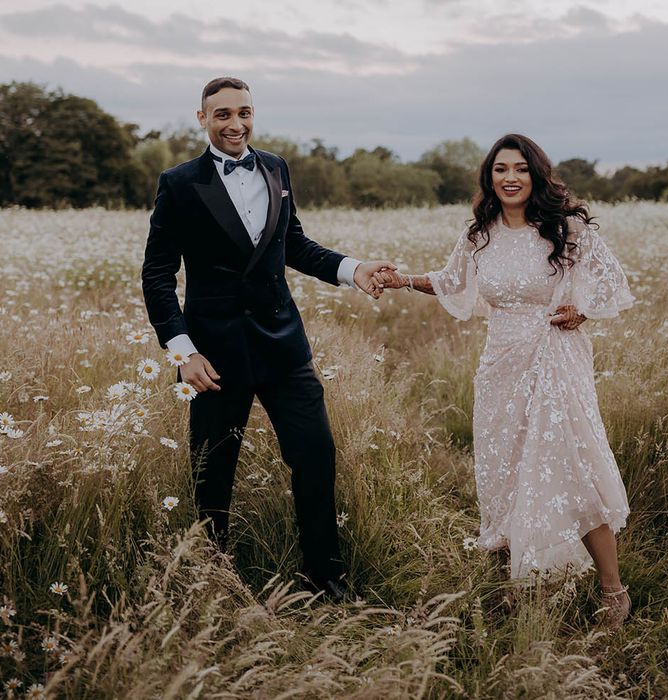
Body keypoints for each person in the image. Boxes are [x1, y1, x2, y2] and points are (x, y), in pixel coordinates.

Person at [142, 76, 395, 601]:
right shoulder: (180, 183)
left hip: (284, 345)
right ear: (202, 118)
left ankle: (325, 577)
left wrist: (354, 268)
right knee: (213, 472)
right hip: (213, 357)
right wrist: (182, 352)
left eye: (244, 112)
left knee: (316, 456)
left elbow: (294, 245)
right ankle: (215, 579)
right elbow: (157, 275)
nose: (236, 124)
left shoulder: (277, 167)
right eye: (223, 115)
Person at [376, 134, 635, 628]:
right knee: (506, 469)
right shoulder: (480, 235)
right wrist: (402, 279)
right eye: (500, 170)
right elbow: (452, 282)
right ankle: (520, 583)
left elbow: (611, 282)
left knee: (573, 466)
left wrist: (582, 309)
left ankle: (613, 591)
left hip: (555, 358)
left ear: (536, 174)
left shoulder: (567, 227)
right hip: (501, 365)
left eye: (519, 168)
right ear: (489, 178)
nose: (510, 178)